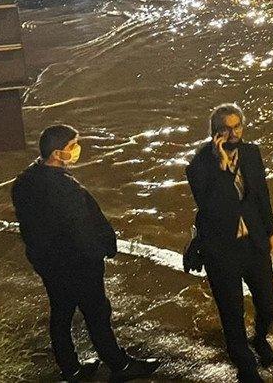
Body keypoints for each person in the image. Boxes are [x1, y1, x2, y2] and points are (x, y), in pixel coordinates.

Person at [11, 125, 161, 382]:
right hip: (77, 263)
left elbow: (31, 228)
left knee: (61, 313)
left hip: (49, 264)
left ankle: (71, 369)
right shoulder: (63, 188)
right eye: (73, 146)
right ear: (58, 154)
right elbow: (80, 228)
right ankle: (119, 365)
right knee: (97, 313)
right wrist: (99, 252)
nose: (77, 150)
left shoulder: (24, 183)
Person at [187, 105, 273, 382]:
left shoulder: (252, 154)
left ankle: (260, 337)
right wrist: (221, 168)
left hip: (253, 243)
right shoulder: (199, 164)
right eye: (226, 128)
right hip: (221, 248)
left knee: (268, 302)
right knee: (231, 309)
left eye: (237, 126)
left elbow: (262, 195)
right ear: (215, 132)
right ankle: (244, 363)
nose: (233, 133)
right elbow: (209, 205)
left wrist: (271, 233)